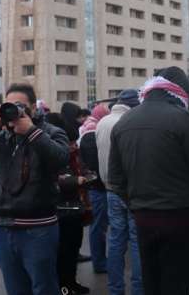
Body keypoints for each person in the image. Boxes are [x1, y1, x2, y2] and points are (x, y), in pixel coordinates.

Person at [109, 68, 189, 295]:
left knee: (152, 280)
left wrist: (136, 203)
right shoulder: (186, 120)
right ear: (181, 94)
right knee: (177, 282)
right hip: (179, 215)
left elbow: (115, 179)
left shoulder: (124, 121)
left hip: (143, 216)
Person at [0, 83, 69, 295]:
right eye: (9, 104)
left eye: (19, 104)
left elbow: (61, 159)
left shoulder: (49, 132)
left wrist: (31, 131)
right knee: (15, 290)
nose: (14, 109)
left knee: (44, 289)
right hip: (3, 229)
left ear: (32, 106)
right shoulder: (1, 136)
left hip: (38, 229)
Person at [96, 89, 143, 295]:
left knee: (115, 240)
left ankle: (115, 289)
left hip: (109, 188)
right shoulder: (130, 123)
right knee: (136, 240)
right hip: (130, 189)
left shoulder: (102, 122)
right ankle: (138, 289)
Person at [45, 112, 89, 295]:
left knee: (72, 250)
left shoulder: (71, 154)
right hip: (59, 210)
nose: (73, 146)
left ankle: (71, 282)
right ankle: (64, 286)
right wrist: (74, 181)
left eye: (73, 142)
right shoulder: (51, 151)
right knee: (63, 253)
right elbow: (53, 180)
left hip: (73, 209)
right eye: (70, 142)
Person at [78, 103, 111, 275]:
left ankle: (101, 260)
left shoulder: (88, 128)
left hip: (96, 185)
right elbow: (94, 163)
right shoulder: (91, 132)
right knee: (98, 226)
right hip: (99, 187)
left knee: (100, 225)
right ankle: (99, 262)